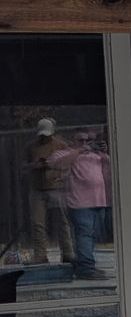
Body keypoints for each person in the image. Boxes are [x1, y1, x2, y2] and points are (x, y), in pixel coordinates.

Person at [49, 130, 111, 281]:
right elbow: (56, 164)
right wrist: (79, 151)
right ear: (73, 141)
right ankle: (86, 270)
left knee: (92, 236)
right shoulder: (66, 153)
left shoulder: (97, 155)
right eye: (81, 140)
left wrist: (105, 153)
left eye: (88, 140)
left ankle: (84, 265)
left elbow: (112, 169)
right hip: (79, 203)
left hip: (100, 201)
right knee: (84, 235)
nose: (85, 143)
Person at [25, 118, 74, 266]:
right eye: (42, 135)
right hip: (37, 190)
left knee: (63, 222)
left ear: (52, 132)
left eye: (46, 134)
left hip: (56, 188)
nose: (44, 137)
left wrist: (52, 165)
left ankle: (67, 253)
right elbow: (23, 167)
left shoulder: (61, 145)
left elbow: (69, 165)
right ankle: (40, 255)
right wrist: (35, 165)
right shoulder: (31, 147)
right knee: (38, 224)